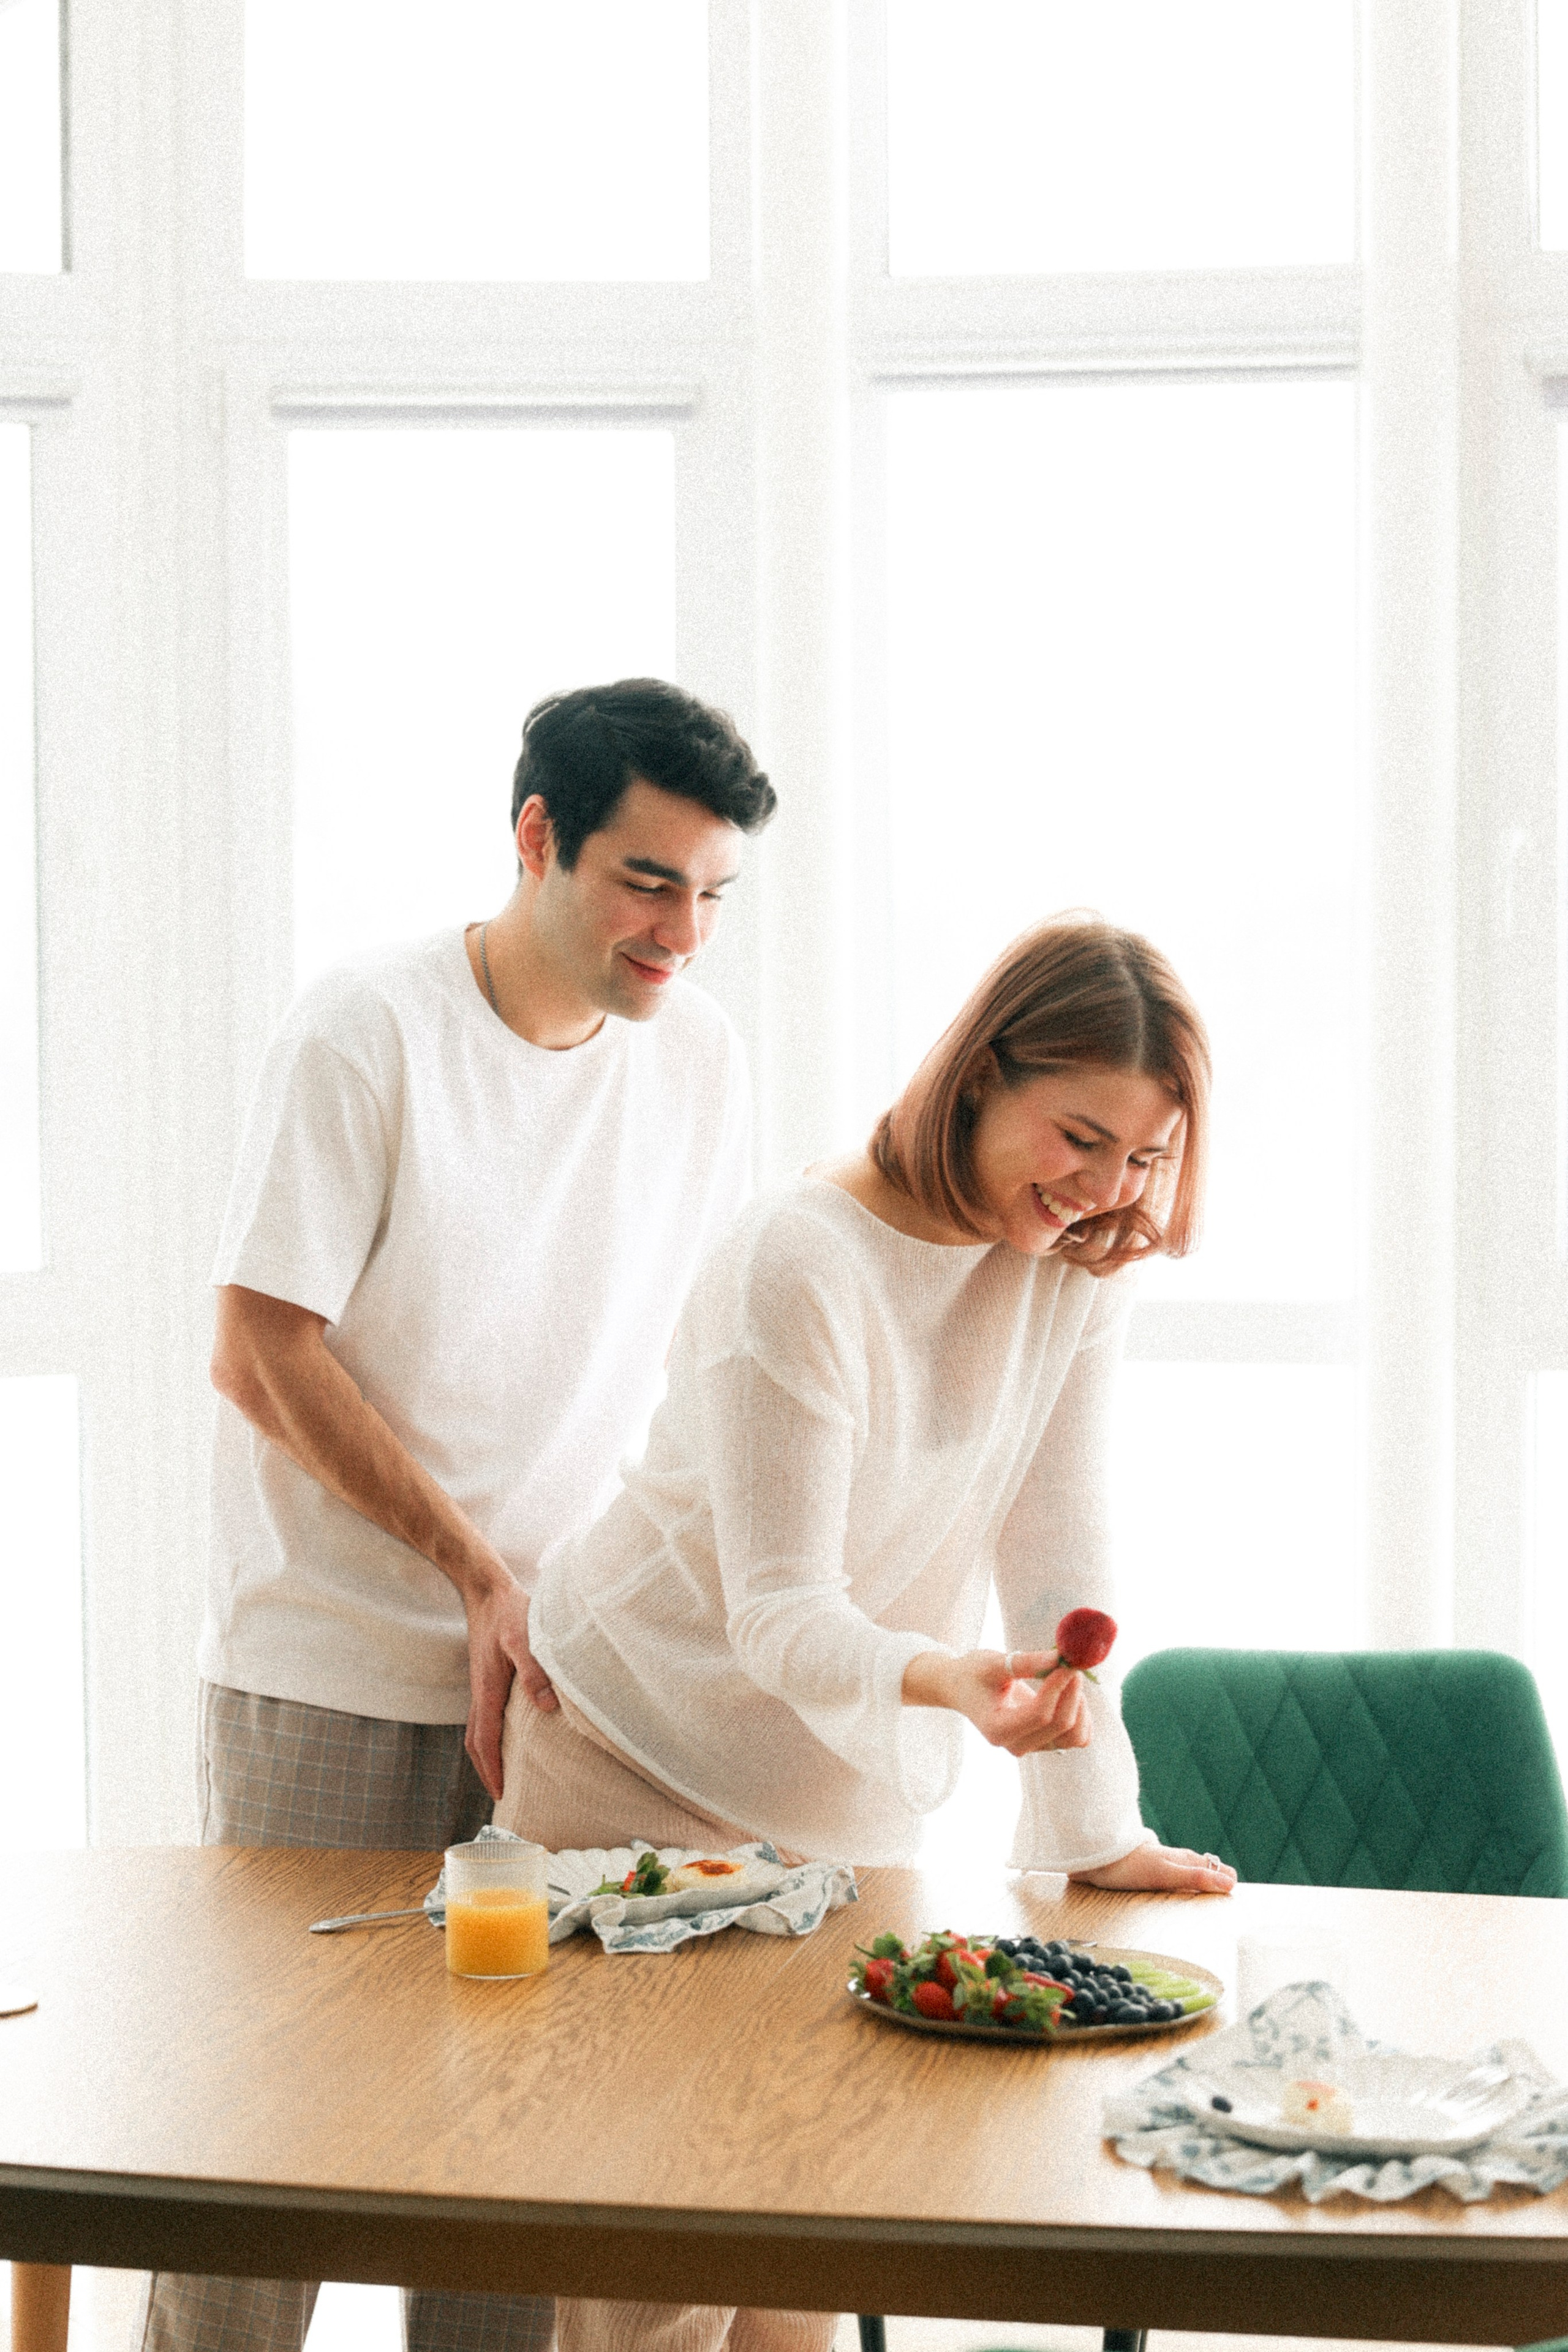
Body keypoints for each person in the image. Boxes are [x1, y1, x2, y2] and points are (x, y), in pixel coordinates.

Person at [492, 913, 1238, 2352]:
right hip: (638, 1756)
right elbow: (778, 1612)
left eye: (1145, 1158)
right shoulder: (799, 1258)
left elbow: (1055, 1551)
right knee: (657, 2281)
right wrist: (946, 1681)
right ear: (980, 1076)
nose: (1104, 1190)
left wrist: (1091, 1829)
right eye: (1079, 1137)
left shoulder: (1072, 1264)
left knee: (806, 2251)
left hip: (838, 1797)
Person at [137, 679, 776, 2352]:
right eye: (648, 883)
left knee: (507, 2160)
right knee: (264, 2166)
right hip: (329, 1670)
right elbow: (257, 1349)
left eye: (714, 894)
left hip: (558, 1693)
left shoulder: (700, 1059)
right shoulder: (367, 1029)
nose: (683, 935)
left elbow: (703, 1362)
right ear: (536, 836)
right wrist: (475, 1571)